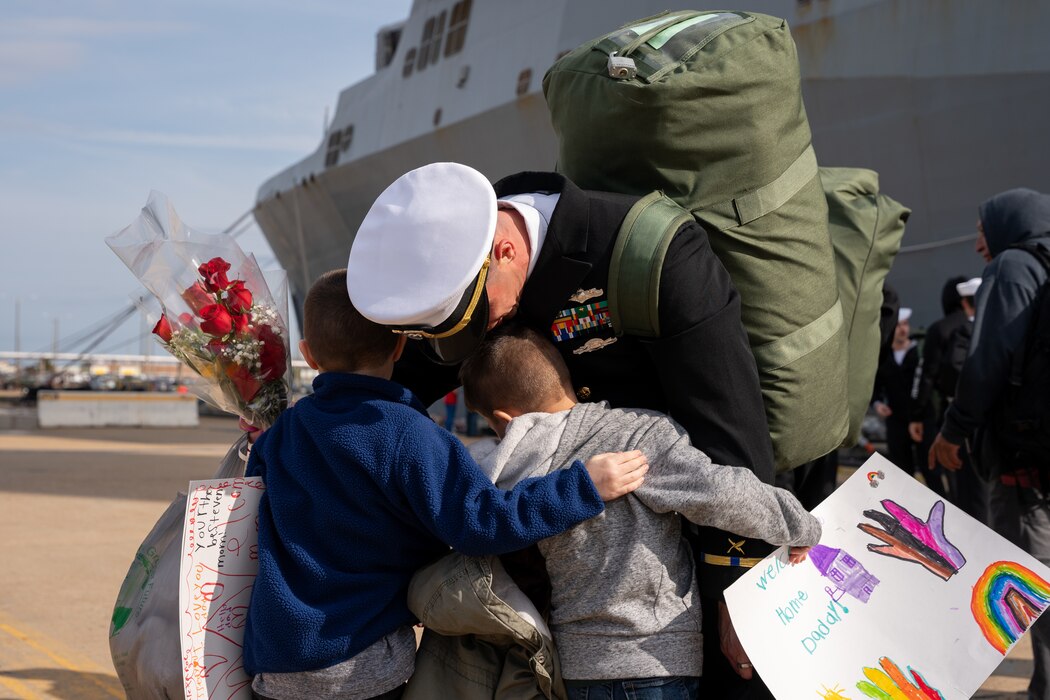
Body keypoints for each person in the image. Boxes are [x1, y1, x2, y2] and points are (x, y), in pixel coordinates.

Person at [346, 162, 777, 695]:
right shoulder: (463, 270)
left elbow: (727, 425)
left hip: (669, 589)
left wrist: (737, 586)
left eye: (480, 321)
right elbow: (393, 388)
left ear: (504, 250)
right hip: (568, 600)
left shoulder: (657, 256)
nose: (482, 333)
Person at [242, 269, 649, 700]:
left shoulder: (282, 433)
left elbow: (253, 510)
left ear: (308, 354)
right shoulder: (408, 433)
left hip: (276, 661)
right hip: (361, 663)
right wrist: (581, 488)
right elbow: (482, 524)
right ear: (401, 344)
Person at [450, 325, 822, 697]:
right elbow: (721, 493)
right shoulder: (633, 435)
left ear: (503, 419)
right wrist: (802, 525)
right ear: (564, 379)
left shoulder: (508, 479)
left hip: (576, 667)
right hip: (655, 658)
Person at [929, 188, 1050, 699]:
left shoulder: (1012, 267)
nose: (980, 244)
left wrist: (953, 430)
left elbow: (988, 362)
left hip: (1023, 461)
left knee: (1031, 575)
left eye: (982, 229)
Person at [909, 276, 984, 519]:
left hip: (951, 413)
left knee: (956, 477)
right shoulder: (991, 326)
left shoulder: (941, 329)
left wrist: (917, 414)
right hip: (988, 419)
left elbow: (926, 375)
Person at [872, 309, 946, 498]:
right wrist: (878, 403)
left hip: (923, 418)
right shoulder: (883, 355)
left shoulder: (920, 352)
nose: (903, 329)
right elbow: (875, 384)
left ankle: (942, 503)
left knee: (930, 468)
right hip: (895, 418)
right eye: (898, 325)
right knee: (901, 470)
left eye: (905, 324)